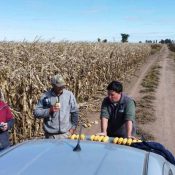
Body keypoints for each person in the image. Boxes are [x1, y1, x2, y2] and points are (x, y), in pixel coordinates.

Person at [33, 74, 79, 139]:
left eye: (62, 85)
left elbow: (75, 112)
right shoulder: (46, 96)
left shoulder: (69, 95)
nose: (61, 87)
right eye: (59, 86)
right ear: (53, 85)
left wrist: (73, 128)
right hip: (51, 136)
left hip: (66, 134)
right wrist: (49, 110)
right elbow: (36, 112)